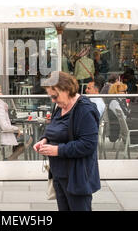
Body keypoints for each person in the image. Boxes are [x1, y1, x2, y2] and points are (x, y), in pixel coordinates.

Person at [33, 71, 100, 211]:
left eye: (55, 96)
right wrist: (44, 140)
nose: (53, 100)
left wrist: (57, 150)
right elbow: (54, 129)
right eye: (51, 96)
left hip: (77, 176)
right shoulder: (60, 106)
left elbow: (88, 145)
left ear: (67, 89)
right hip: (59, 174)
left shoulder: (84, 110)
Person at [0, 84, 32, 160]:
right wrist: (17, 129)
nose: (2, 94)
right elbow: (5, 127)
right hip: (1, 137)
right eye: (0, 92)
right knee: (29, 139)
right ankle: (10, 159)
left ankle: (13, 160)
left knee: (17, 136)